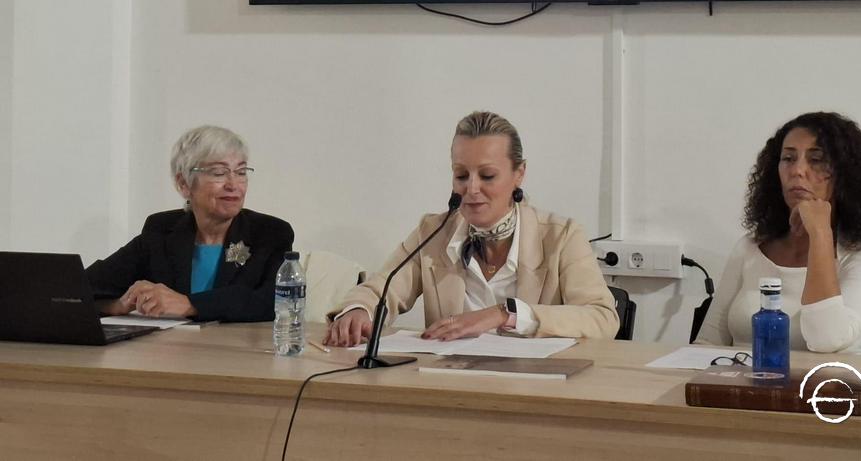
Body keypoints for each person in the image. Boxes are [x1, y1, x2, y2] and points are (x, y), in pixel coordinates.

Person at [325, 111, 619, 345]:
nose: (472, 189)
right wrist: (358, 310)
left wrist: (505, 314)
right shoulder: (434, 232)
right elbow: (381, 288)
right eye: (461, 175)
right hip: (453, 392)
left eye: (488, 176)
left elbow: (602, 318)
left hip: (536, 396)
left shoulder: (562, 236)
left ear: (519, 173)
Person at [698, 112, 861, 354]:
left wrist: (820, 234)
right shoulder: (750, 246)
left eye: (816, 160)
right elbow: (708, 343)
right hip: (743, 388)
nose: (797, 171)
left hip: (829, 390)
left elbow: (827, 340)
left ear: (845, 175)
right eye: (788, 158)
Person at [85, 125, 294, 322]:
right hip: (169, 355)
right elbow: (82, 287)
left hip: (236, 355)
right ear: (184, 184)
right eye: (219, 173)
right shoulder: (162, 230)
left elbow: (275, 302)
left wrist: (188, 304)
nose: (233, 185)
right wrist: (116, 306)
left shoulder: (270, 233)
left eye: (240, 172)